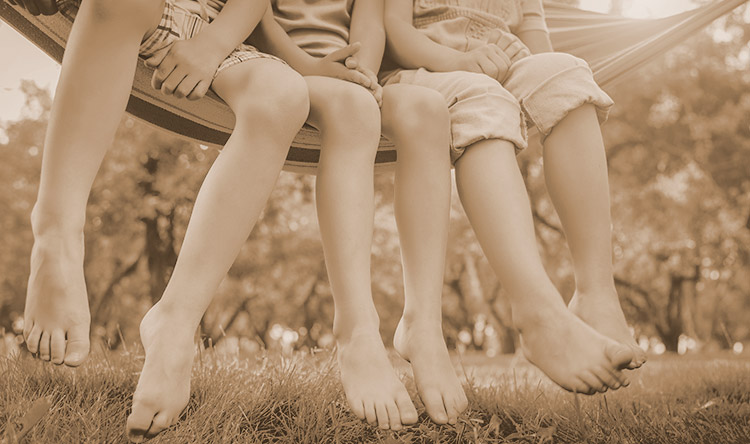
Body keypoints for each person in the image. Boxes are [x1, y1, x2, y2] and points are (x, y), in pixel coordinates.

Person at [9, 0, 311, 439]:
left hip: (215, 29)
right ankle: (56, 234)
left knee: (284, 94)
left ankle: (176, 320)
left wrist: (213, 45)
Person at [381, 0, 645, 395]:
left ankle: (596, 292)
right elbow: (395, 33)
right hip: (420, 72)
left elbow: (539, 48)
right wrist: (460, 60)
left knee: (567, 73)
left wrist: (541, 77)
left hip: (500, 72)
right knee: (485, 98)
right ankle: (536, 312)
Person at [252, 0, 467, 428]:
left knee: (428, 111)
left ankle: (423, 324)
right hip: (273, 68)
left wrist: (362, 73)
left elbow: (368, 22)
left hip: (348, 81)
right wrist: (313, 68)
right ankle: (356, 327)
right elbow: (253, 17)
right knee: (354, 107)